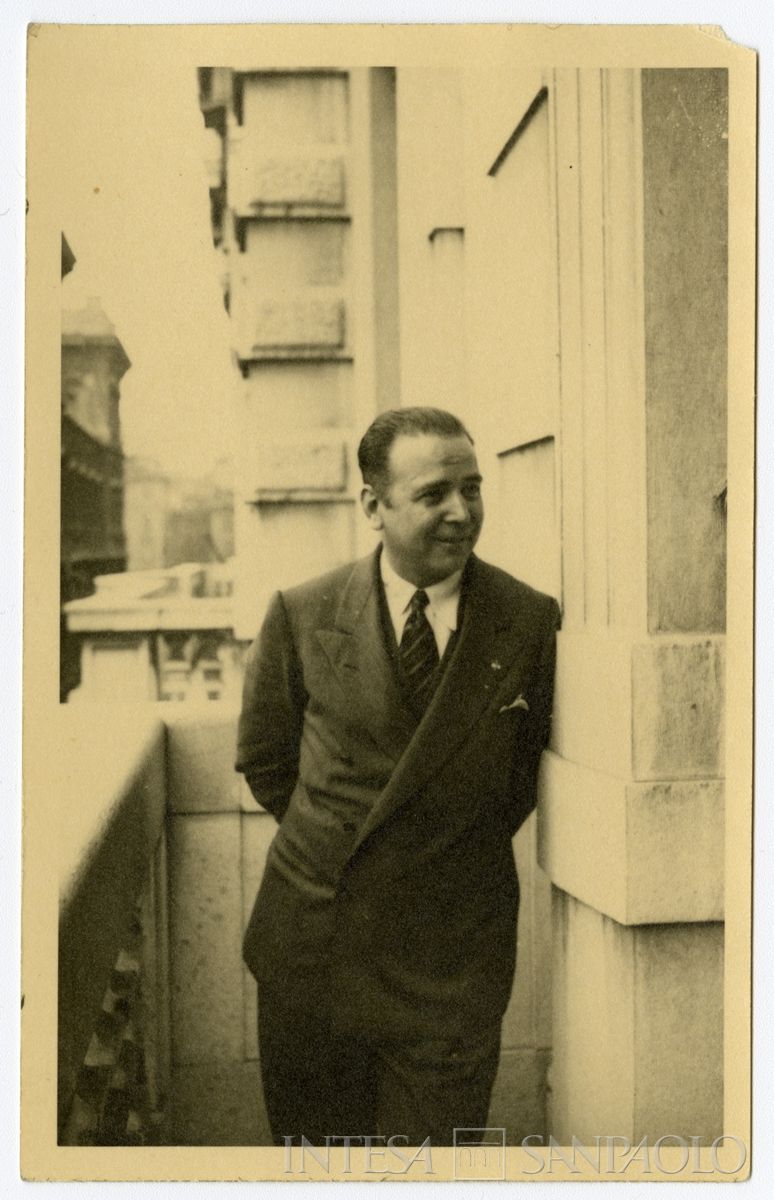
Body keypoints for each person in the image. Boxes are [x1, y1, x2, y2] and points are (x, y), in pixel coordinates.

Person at [236, 406, 560, 1148]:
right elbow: (267, 763)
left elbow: (514, 783)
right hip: (314, 953)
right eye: (434, 494)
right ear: (372, 506)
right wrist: (345, 848)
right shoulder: (302, 612)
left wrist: (429, 850)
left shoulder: (528, 621)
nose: (460, 512)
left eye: (472, 489)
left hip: (450, 965)